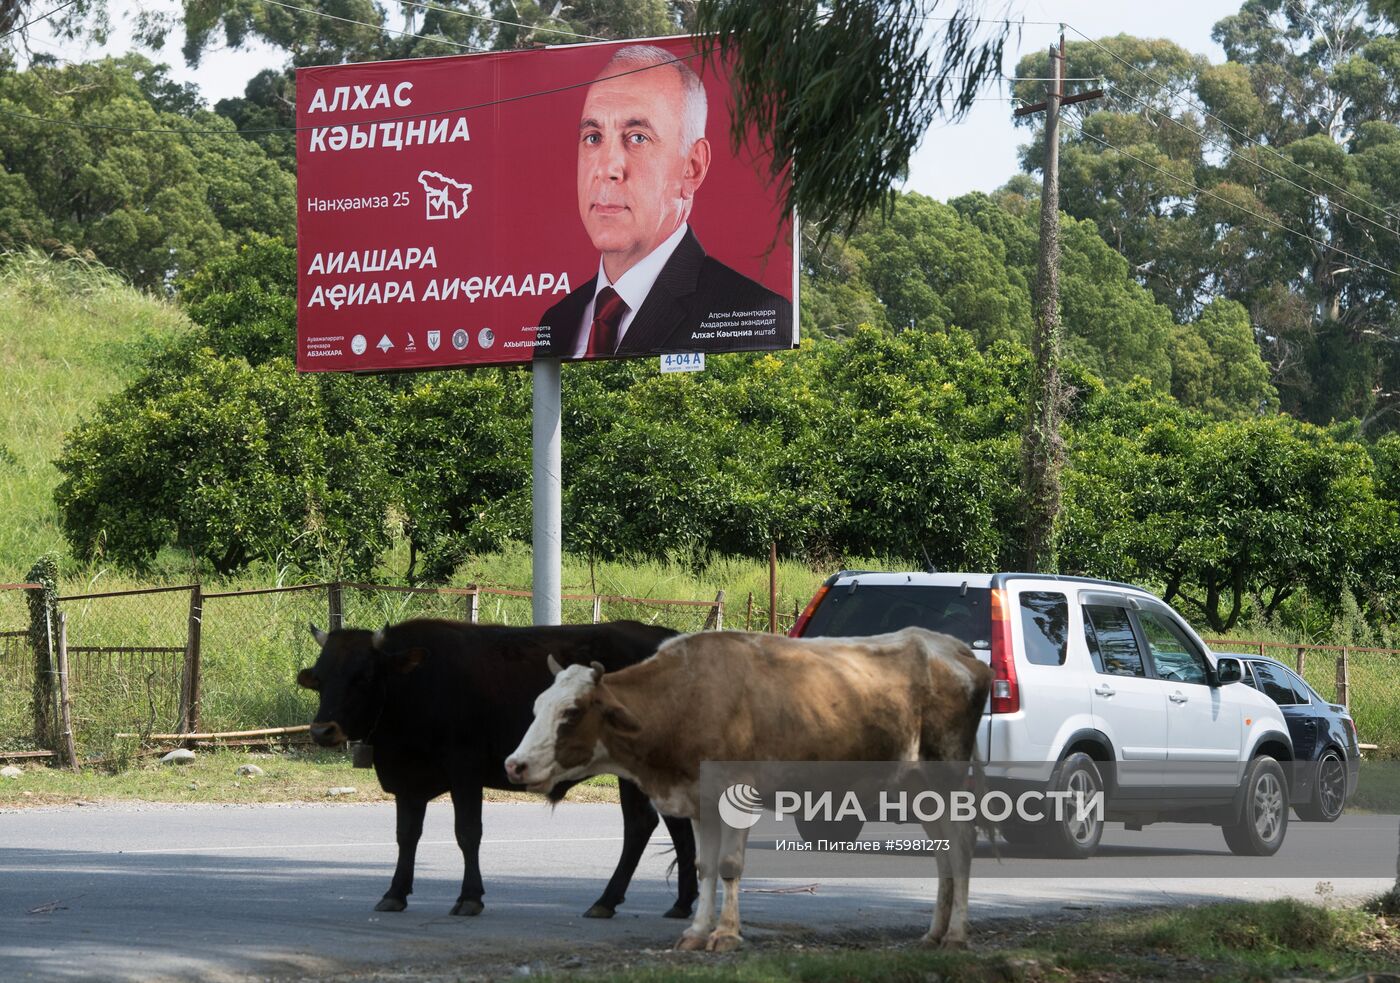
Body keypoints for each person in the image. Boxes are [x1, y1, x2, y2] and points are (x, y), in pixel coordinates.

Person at [537, 44, 792, 359]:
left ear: (692, 167)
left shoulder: (755, 314)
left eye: (637, 138)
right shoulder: (556, 322)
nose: (607, 169)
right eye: (594, 137)